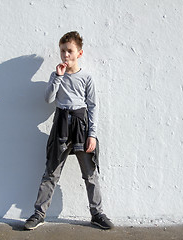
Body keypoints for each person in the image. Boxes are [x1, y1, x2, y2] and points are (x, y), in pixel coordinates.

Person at [24, 31, 114, 230]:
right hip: (61, 125)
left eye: (70, 51)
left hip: (81, 125)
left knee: (90, 173)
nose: (65, 55)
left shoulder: (87, 77)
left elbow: (93, 107)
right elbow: (48, 99)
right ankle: (39, 214)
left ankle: (97, 213)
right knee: (51, 172)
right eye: (63, 51)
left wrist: (92, 135)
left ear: (79, 53)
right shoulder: (56, 75)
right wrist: (58, 77)